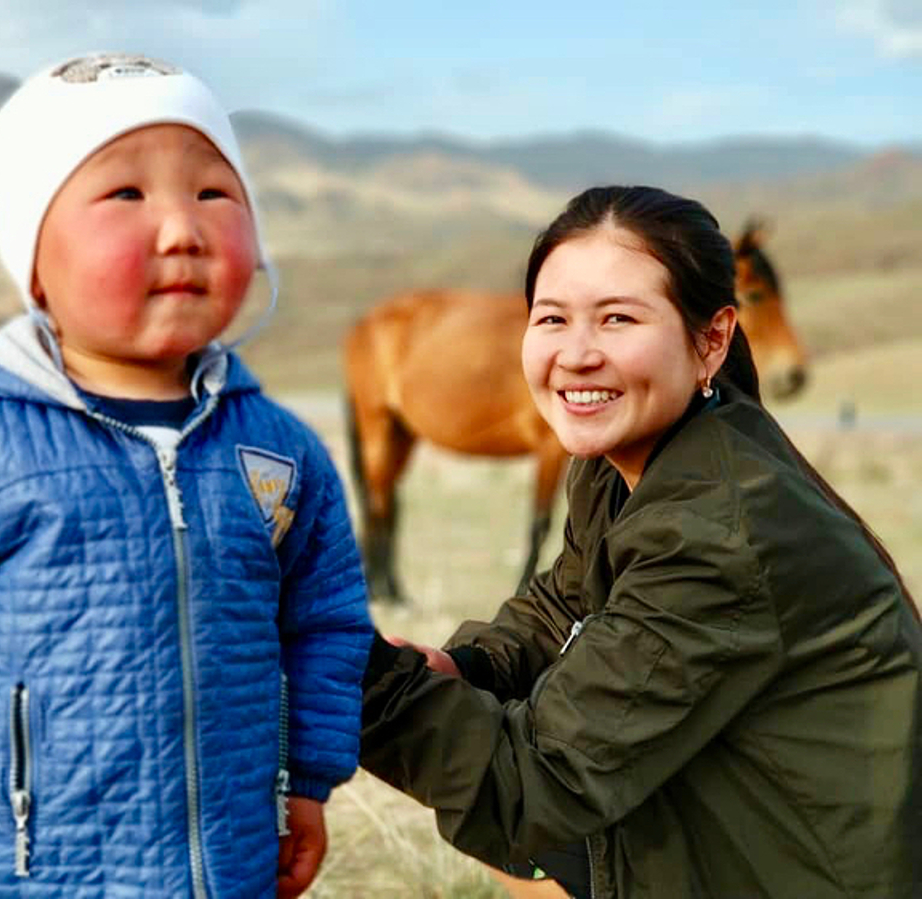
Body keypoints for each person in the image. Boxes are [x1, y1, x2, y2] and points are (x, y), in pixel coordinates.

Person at [0, 52, 372, 898]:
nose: (183, 228)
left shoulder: (282, 450)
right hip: (31, 873)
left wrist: (311, 781)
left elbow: (324, 624)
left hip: (236, 862)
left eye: (215, 192)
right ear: (35, 258)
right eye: (125, 195)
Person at [360, 185, 922, 899]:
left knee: (522, 808)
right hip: (753, 822)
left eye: (618, 318)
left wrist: (356, 680)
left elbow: (534, 784)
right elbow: (562, 606)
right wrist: (466, 664)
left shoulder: (717, 530)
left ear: (712, 337)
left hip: (812, 871)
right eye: (553, 318)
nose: (576, 354)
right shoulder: (626, 462)